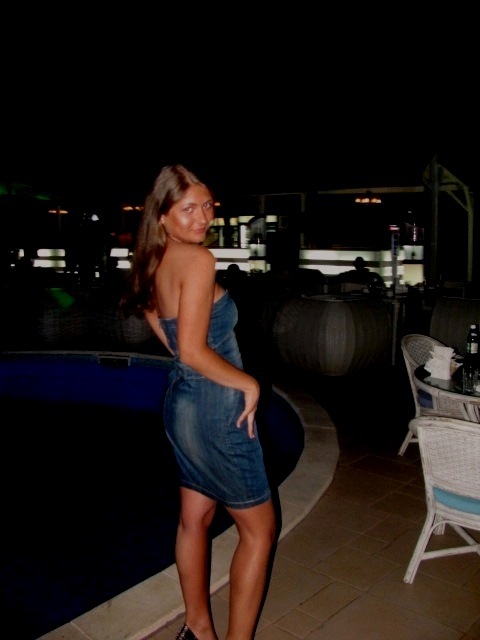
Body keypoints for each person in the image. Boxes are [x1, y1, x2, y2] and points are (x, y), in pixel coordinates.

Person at [121, 164, 276, 640]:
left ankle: (198, 628)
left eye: (207, 206)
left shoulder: (156, 258)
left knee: (195, 519)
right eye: (188, 208)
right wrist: (247, 384)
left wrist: (190, 357)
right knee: (259, 530)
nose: (203, 217)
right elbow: (192, 350)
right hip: (216, 407)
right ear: (163, 215)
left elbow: (155, 315)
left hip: (182, 403)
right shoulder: (198, 259)